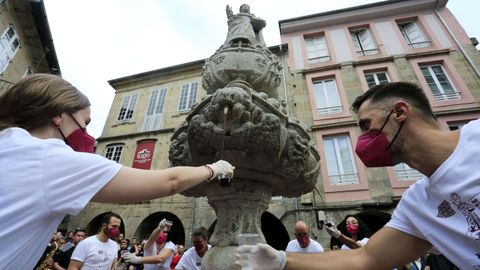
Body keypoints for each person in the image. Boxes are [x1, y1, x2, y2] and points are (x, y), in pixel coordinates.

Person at [0, 74, 235, 270]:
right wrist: (212, 169)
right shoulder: (52, 159)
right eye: (85, 121)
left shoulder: (9, 144)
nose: (85, 131)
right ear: (59, 116)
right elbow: (170, 181)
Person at [235, 82, 480, 269]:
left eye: (365, 124)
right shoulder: (418, 205)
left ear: (400, 112)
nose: (362, 140)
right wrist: (280, 259)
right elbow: (365, 257)